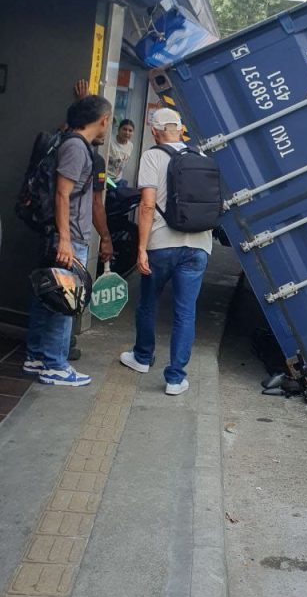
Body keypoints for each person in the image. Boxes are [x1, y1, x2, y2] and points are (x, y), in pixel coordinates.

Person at [119, 108, 212, 395]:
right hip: (198, 245)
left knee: (148, 302)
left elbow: (147, 206)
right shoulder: (203, 158)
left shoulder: (152, 156)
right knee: (185, 312)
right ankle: (175, 378)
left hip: (161, 243)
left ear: (155, 132)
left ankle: (143, 357)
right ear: (181, 129)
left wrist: (141, 248)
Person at [25, 95, 114, 386]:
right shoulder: (76, 147)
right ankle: (54, 365)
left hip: (60, 234)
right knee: (66, 302)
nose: (108, 124)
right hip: (68, 236)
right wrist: (65, 240)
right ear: (102, 119)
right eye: (108, 119)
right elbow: (62, 194)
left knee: (47, 298)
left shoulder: (71, 142)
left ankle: (36, 356)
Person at [107, 118, 135, 183]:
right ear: (119, 129)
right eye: (124, 129)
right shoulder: (109, 142)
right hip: (106, 179)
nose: (127, 133)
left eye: (130, 131)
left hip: (118, 180)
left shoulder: (130, 145)